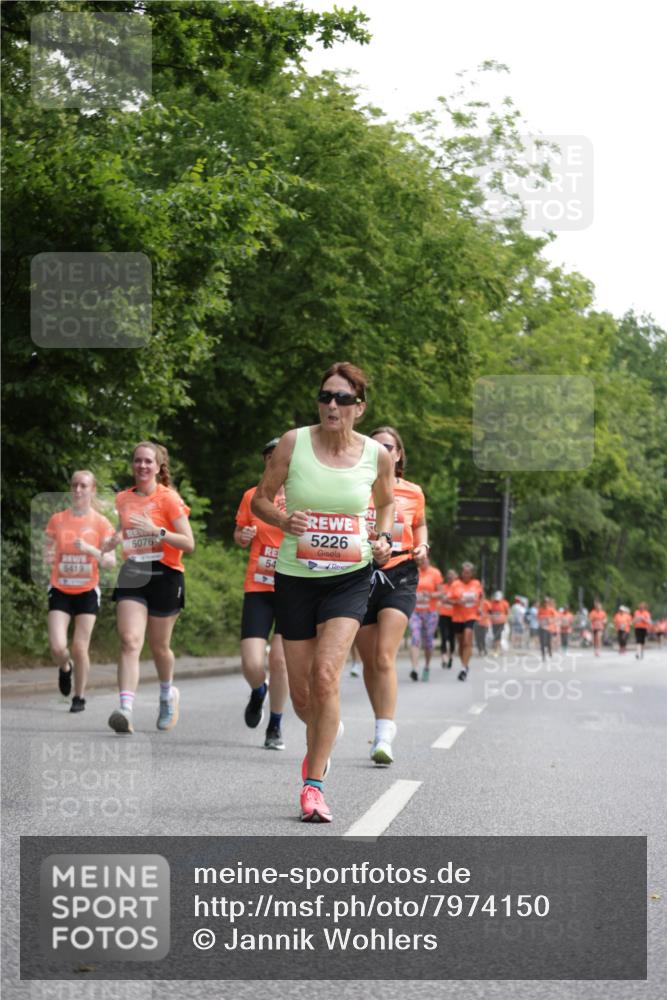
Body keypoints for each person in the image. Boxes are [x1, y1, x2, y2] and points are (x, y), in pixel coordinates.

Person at [251, 362, 394, 823]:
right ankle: (322, 735)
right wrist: (282, 519)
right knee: (303, 697)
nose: (332, 405)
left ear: (359, 407)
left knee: (327, 674)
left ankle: (313, 786)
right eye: (325, 396)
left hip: (350, 577)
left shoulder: (376, 454)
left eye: (343, 398)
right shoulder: (293, 443)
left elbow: (387, 503)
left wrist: (384, 539)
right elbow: (259, 499)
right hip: (296, 577)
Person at [103, 442, 194, 735]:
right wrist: (114, 539)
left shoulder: (169, 499)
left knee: (159, 647)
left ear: (157, 467)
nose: (142, 465)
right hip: (134, 571)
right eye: (138, 460)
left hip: (166, 575)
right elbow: (125, 530)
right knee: (130, 640)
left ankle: (167, 695)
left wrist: (158, 532)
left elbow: (189, 543)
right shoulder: (123, 499)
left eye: (148, 461)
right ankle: (125, 710)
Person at [354, 425, 430, 763]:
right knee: (370, 660)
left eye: (388, 446)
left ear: (398, 454)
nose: (382, 451)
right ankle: (380, 723)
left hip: (400, 573)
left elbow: (420, 524)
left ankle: (385, 735)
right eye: (375, 445)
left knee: (384, 655)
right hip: (360, 573)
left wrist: (423, 545)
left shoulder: (413, 492)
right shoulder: (356, 486)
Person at [45, 470, 116, 712]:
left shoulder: (101, 523)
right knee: (58, 647)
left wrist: (89, 549)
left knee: (79, 647)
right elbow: (46, 551)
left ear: (92, 490)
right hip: (61, 588)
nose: (77, 490)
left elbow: (110, 562)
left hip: (87, 590)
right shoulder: (57, 520)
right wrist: (48, 555)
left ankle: (79, 697)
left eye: (83, 485)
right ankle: (65, 668)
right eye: (74, 485)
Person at [234, 438, 288, 750]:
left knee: (280, 661)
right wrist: (243, 535)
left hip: (292, 587)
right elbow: (239, 534)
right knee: (252, 663)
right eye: (269, 457)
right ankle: (258, 691)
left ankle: (275, 725)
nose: (273, 462)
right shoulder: (251, 496)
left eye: (278, 457)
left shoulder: (303, 497)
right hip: (258, 586)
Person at [408, 558, 443, 682]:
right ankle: (414, 668)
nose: (423, 562)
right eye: (420, 560)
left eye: (425, 560)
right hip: (415, 611)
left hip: (430, 612)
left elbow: (441, 593)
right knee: (415, 637)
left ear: (428, 560)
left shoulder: (435, 573)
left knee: (428, 641)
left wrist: (430, 595)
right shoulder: (412, 571)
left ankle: (427, 667)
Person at [449, 562, 484, 681]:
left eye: (468, 572)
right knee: (461, 644)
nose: (466, 574)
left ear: (472, 573)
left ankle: (463, 669)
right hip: (458, 617)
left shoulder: (476, 583)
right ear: (461, 573)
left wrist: (480, 607)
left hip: (471, 616)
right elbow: (448, 599)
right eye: (464, 572)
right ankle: (464, 664)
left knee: (467, 640)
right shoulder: (455, 584)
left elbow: (481, 596)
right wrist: (457, 602)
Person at [438, 569, 457, 669]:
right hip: (443, 615)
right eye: (448, 575)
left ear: (455, 577)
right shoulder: (443, 587)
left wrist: (448, 600)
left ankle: (451, 656)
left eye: (452, 575)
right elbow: (440, 598)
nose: (450, 577)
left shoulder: (457, 587)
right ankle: (444, 658)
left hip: (454, 616)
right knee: (444, 637)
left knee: (452, 638)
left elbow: (458, 600)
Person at [490, 590, 510, 655]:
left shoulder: (505, 603)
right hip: (494, 622)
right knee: (495, 635)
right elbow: (490, 612)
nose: (497, 601)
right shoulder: (492, 603)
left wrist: (506, 620)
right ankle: (497, 649)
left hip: (502, 622)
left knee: (498, 636)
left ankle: (496, 649)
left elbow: (507, 612)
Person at [537, 596, 555, 662]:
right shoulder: (540, 609)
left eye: (546, 602)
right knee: (542, 642)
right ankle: (543, 655)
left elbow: (554, 618)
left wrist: (550, 620)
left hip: (549, 628)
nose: (545, 603)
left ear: (548, 603)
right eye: (544, 602)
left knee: (548, 642)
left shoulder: (551, 609)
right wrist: (542, 619)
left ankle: (550, 652)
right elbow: (537, 617)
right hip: (542, 628)